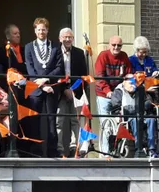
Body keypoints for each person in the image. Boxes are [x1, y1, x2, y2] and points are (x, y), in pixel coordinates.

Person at [25, 17, 65, 157]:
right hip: (35, 88)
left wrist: (46, 79)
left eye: (43, 29)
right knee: (34, 120)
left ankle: (52, 151)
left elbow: (59, 68)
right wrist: (41, 85)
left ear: (47, 30)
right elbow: (30, 69)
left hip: (51, 87)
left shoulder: (55, 46)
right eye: (39, 29)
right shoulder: (29, 47)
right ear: (35, 31)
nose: (41, 32)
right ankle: (35, 152)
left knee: (51, 120)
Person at [57, 28, 89, 157]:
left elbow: (83, 75)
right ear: (60, 38)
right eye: (65, 37)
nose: (67, 39)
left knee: (76, 120)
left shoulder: (79, 53)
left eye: (70, 37)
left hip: (75, 91)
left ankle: (76, 148)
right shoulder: (55, 52)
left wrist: (73, 90)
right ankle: (59, 149)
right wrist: (63, 90)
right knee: (59, 121)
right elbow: (54, 73)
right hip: (60, 92)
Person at [109, 77, 158, 157]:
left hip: (142, 114)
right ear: (124, 82)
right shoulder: (118, 92)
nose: (133, 85)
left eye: (134, 83)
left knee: (151, 119)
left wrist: (140, 107)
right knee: (136, 120)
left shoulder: (140, 90)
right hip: (127, 116)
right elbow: (116, 105)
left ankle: (152, 148)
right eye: (130, 83)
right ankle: (138, 147)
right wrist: (137, 108)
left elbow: (148, 101)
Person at [94, 36, 133, 119]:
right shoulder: (103, 55)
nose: (116, 47)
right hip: (104, 94)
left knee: (122, 121)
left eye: (119, 45)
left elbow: (128, 74)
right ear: (109, 45)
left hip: (119, 95)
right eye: (114, 45)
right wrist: (107, 91)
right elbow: (99, 76)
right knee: (105, 122)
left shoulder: (124, 56)